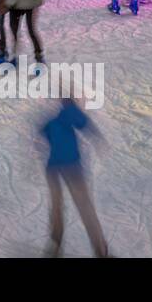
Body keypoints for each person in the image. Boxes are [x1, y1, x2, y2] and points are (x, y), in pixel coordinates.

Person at [41, 98, 109, 257]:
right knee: (83, 207)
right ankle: (100, 251)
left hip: (55, 168)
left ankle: (56, 245)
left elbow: (44, 134)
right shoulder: (67, 114)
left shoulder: (55, 119)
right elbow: (84, 124)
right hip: (69, 168)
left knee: (58, 207)